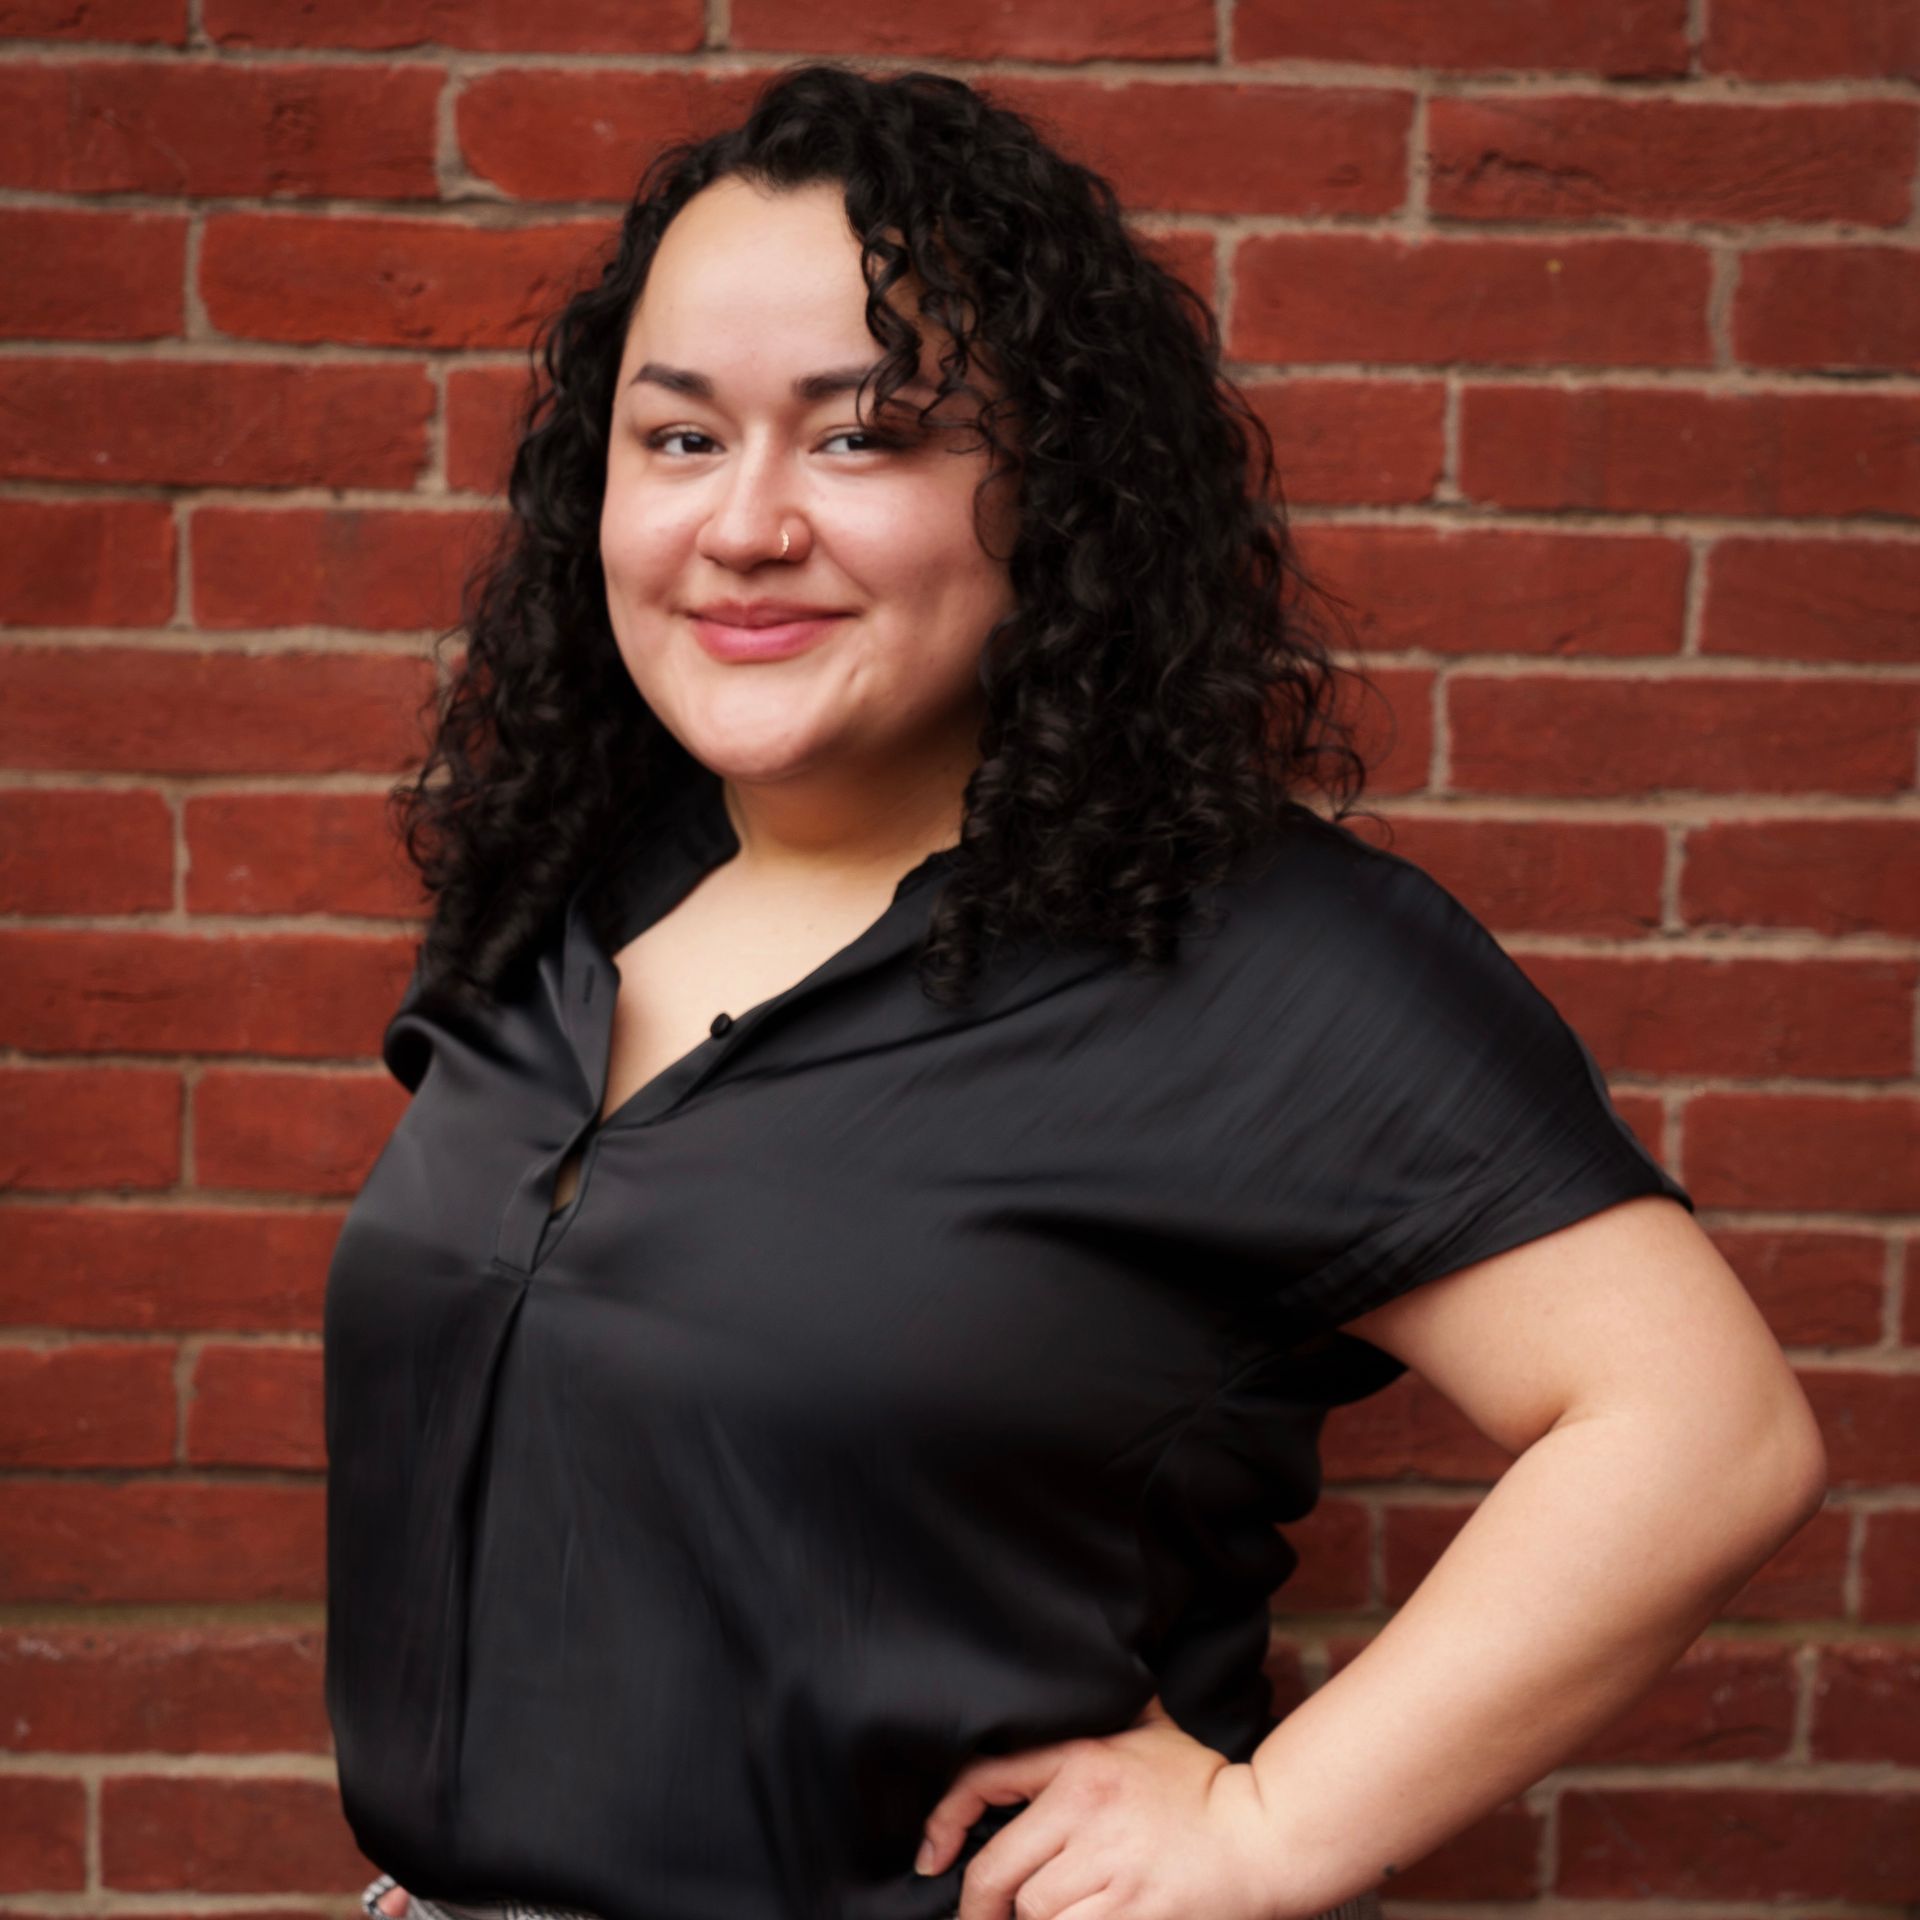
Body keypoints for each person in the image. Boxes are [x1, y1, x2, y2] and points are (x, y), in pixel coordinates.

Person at [323, 60, 1828, 1920]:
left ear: (1055, 492)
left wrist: (1269, 1830)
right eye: (681, 437)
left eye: (865, 436)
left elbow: (1703, 1432)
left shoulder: (1251, 954)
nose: (746, 523)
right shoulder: (563, 885)